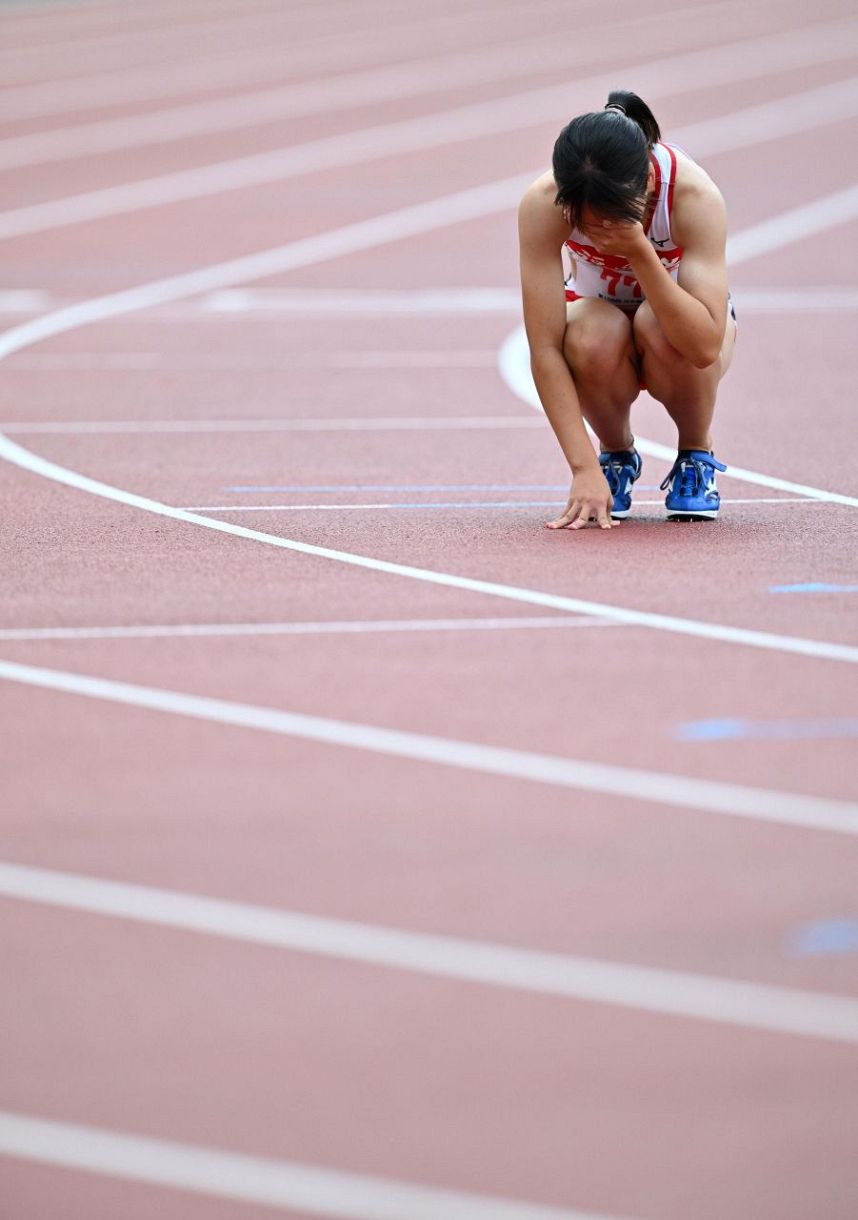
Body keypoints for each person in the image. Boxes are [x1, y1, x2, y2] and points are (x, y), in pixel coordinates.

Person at [518, 89, 736, 528]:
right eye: (585, 219)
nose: (595, 230)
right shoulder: (544, 203)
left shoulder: (693, 197)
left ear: (649, 187)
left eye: (609, 218)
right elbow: (544, 349)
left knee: (659, 322)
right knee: (585, 332)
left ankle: (695, 453)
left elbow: (705, 346)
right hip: (601, 329)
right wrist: (583, 467)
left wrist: (639, 250)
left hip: (680, 333)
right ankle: (615, 456)